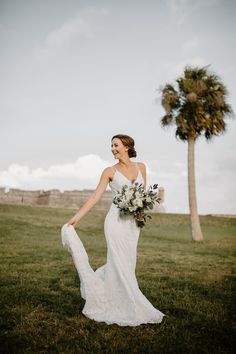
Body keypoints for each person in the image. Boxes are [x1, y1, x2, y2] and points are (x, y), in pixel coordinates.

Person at [61, 134, 165, 326]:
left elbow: (141, 195)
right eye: (111, 146)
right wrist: (76, 218)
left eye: (116, 145)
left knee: (128, 262)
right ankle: (125, 304)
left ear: (127, 146)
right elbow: (95, 197)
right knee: (118, 261)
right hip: (115, 222)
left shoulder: (141, 167)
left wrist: (140, 211)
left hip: (133, 224)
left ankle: (116, 295)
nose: (113, 149)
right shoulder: (109, 171)